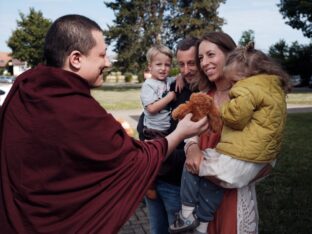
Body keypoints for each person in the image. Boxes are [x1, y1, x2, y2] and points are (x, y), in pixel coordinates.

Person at [0, 14, 209, 234]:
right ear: (76, 59)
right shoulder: (76, 109)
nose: (107, 62)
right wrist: (181, 133)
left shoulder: (26, 85)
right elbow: (134, 159)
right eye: (102, 55)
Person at [170, 41, 291, 233]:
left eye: (210, 54)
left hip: (233, 195)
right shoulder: (202, 95)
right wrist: (192, 148)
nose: (204, 63)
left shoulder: (250, 96)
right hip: (202, 195)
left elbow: (265, 147)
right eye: (200, 58)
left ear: (230, 55)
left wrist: (243, 176)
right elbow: (190, 134)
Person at [137, 37, 209, 234]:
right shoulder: (174, 87)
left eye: (192, 63)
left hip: (176, 184)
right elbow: (144, 122)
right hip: (154, 177)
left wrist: (160, 156)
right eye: (181, 64)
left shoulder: (206, 96)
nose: (185, 71)